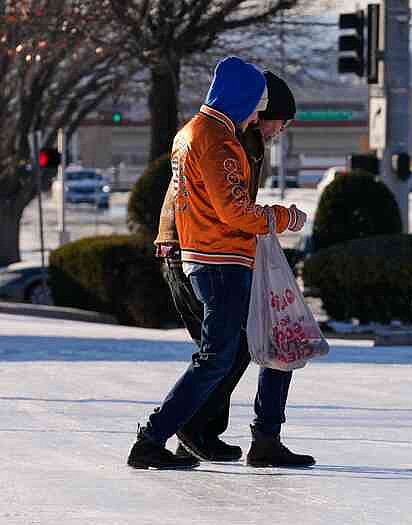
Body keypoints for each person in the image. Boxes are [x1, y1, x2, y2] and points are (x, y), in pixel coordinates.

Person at [127, 57, 307, 470]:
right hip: (219, 257)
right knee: (219, 356)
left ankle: (191, 434)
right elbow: (233, 211)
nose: (258, 115)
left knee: (241, 349)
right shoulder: (219, 139)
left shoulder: (195, 132)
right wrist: (284, 217)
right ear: (243, 98)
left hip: (209, 254)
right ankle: (158, 437)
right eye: (256, 105)